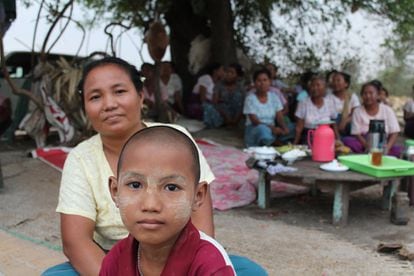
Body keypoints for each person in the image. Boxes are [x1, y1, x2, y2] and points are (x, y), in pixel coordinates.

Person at [42, 57, 266, 276]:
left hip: (181, 256)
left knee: (251, 272)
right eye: (95, 96)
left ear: (141, 97)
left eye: (119, 91)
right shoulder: (81, 158)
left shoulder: (177, 140)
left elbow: (202, 226)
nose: (109, 104)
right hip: (111, 262)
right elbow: (76, 242)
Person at [100, 126, 235, 275]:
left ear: (198, 196)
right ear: (115, 191)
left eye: (171, 187)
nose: (150, 205)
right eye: (135, 185)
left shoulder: (210, 265)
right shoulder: (116, 259)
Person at [342, 81, 402, 157]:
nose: (368, 96)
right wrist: (367, 145)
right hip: (364, 142)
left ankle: (378, 153)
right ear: (361, 96)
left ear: (378, 95)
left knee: (398, 149)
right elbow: (356, 133)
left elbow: (395, 132)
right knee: (347, 141)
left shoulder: (387, 110)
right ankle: (368, 152)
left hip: (382, 143)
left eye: (371, 93)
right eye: (365, 93)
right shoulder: (358, 111)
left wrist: (387, 148)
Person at [243, 68, 289, 147]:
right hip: (255, 130)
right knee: (262, 129)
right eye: (259, 80)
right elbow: (255, 121)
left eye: (265, 80)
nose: (262, 83)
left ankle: (272, 142)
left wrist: (284, 128)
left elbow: (279, 117)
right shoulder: (250, 99)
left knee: (291, 128)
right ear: (254, 83)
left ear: (270, 82)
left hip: (272, 130)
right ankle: (275, 144)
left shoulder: (274, 97)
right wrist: (272, 128)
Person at [293, 75, 338, 145]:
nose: (315, 88)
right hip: (309, 135)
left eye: (318, 85)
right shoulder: (303, 103)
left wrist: (338, 139)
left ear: (325, 88)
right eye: (312, 85)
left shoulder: (329, 103)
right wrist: (295, 144)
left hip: (326, 135)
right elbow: (299, 127)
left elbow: (334, 123)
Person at [205, 63, 245, 128]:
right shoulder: (219, 85)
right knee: (207, 107)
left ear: (237, 76)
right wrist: (225, 116)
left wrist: (236, 119)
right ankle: (224, 123)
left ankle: (234, 123)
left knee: (237, 97)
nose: (228, 74)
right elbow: (215, 102)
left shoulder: (241, 88)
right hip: (222, 113)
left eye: (232, 73)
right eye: (227, 72)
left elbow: (243, 105)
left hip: (237, 114)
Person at [325, 72, 360, 136]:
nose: (335, 83)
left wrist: (345, 121)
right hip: (334, 125)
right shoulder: (328, 98)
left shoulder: (352, 96)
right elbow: (330, 117)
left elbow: (356, 113)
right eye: (333, 81)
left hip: (348, 125)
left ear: (346, 84)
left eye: (338, 80)